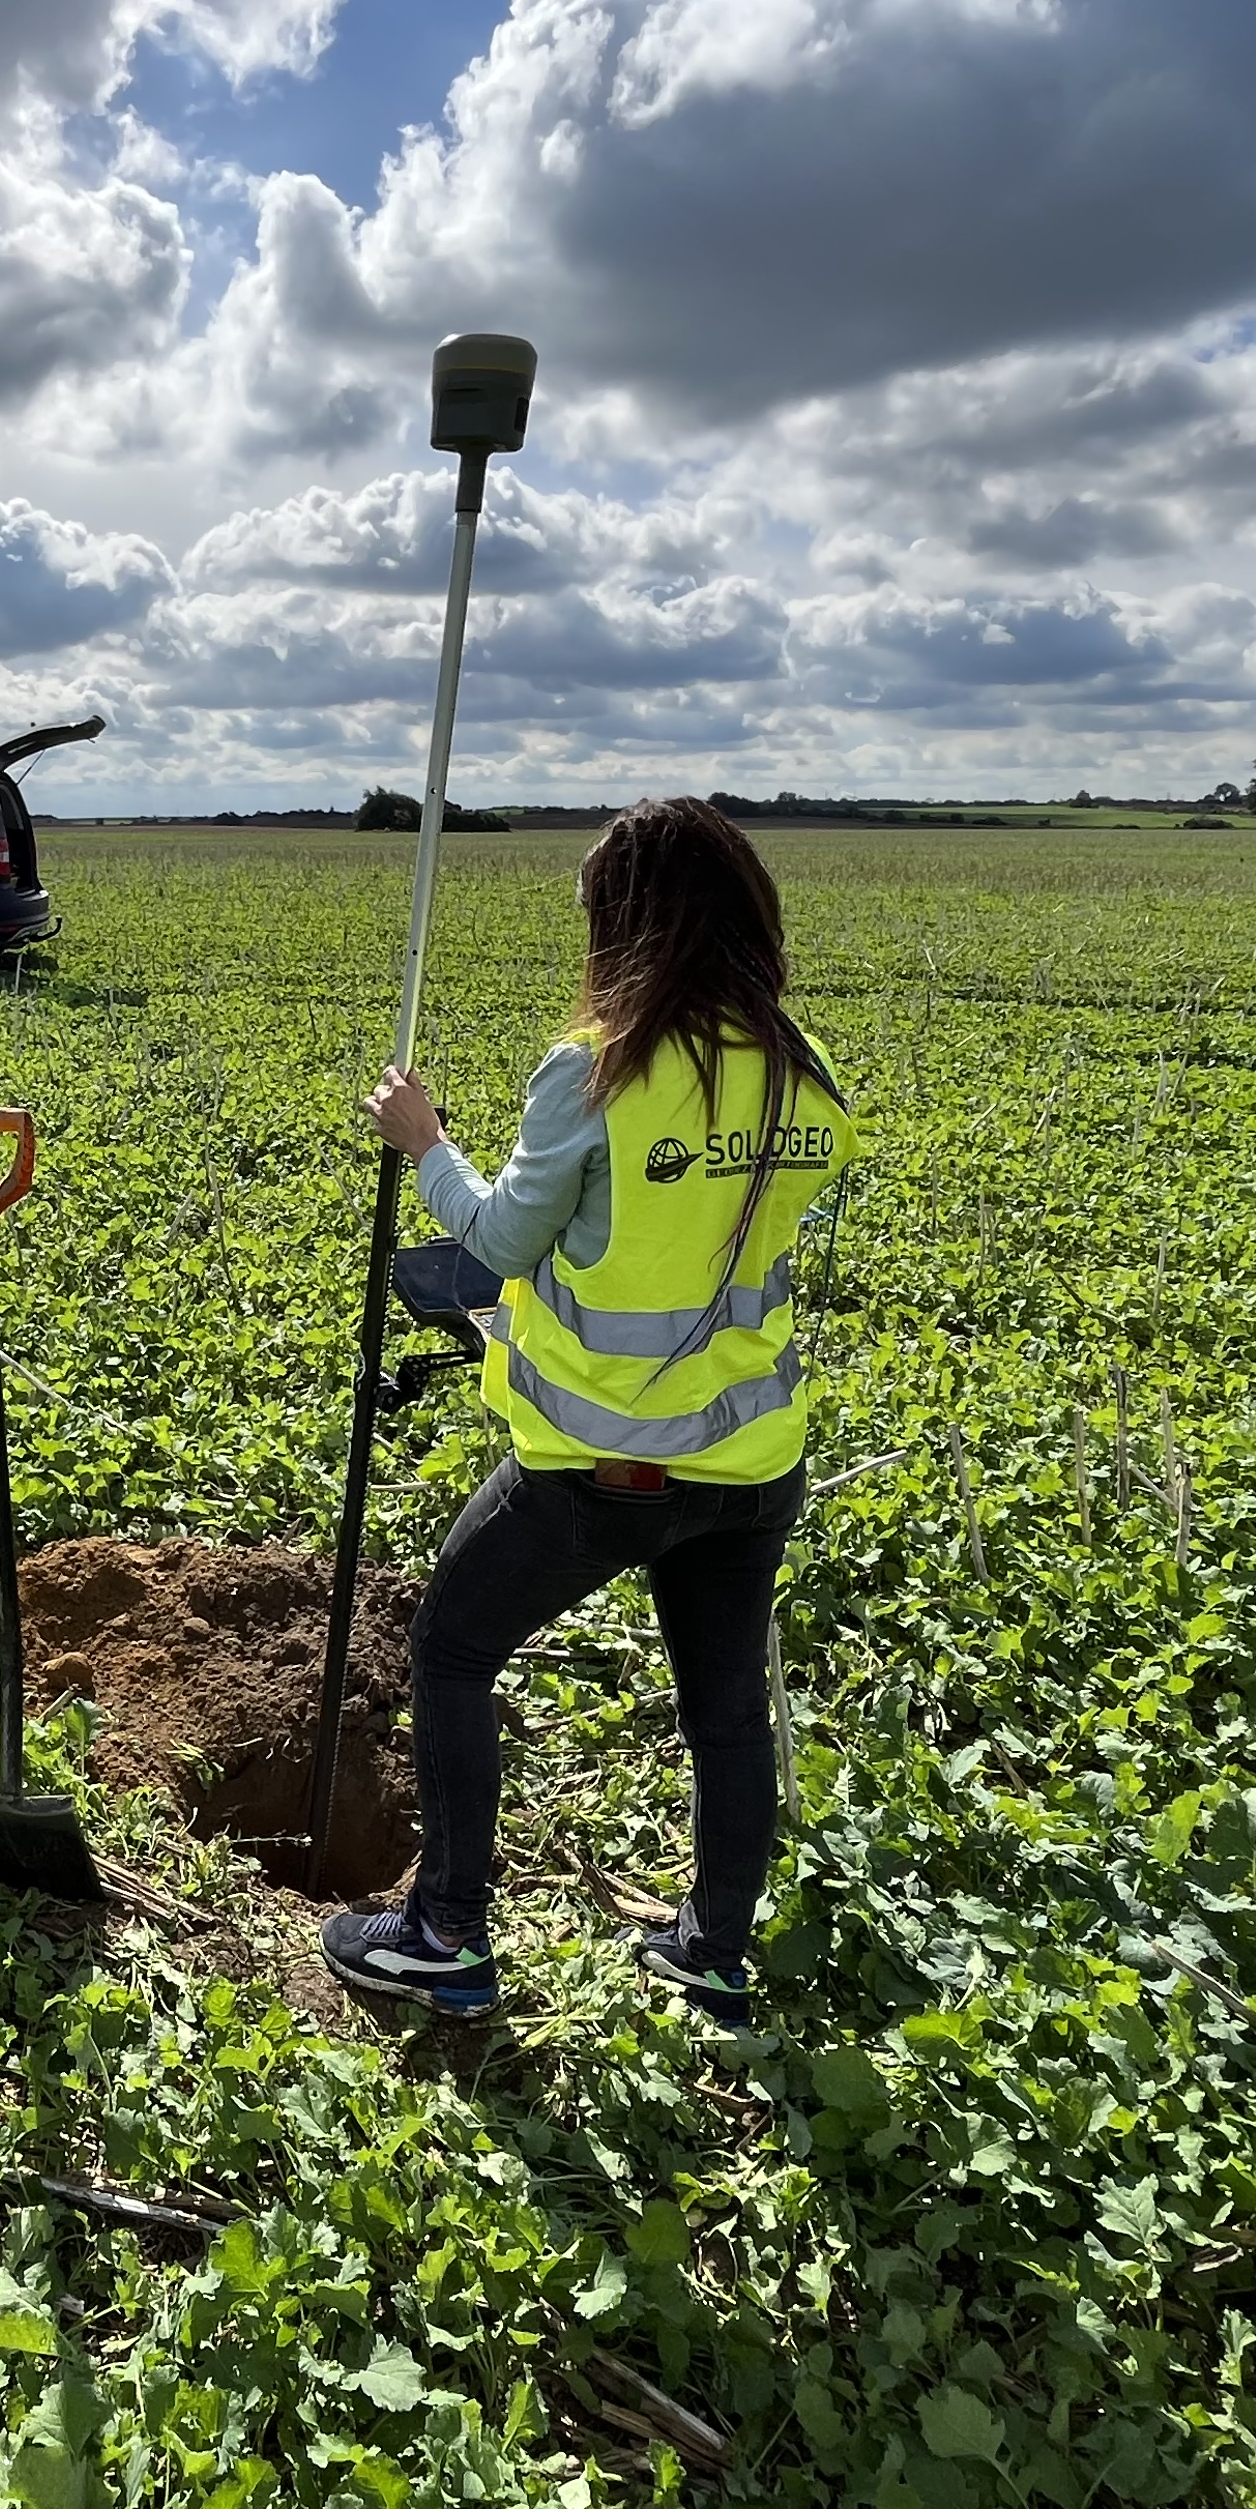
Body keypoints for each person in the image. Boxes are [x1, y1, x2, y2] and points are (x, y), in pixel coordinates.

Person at [321, 797, 855, 2032]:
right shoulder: (805, 1070)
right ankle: (714, 1952)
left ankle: (445, 1938)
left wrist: (426, 1144)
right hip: (755, 1459)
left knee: (451, 1652)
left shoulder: (595, 1068)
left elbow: (506, 1237)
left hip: (601, 1462)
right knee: (724, 1712)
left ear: (626, 921)